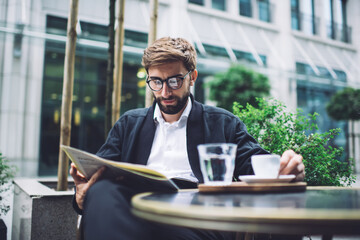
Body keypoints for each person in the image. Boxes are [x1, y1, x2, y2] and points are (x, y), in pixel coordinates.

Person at [70, 37, 305, 240]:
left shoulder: (222, 123)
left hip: (198, 217)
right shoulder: (129, 124)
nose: (165, 92)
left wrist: (285, 168)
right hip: (135, 212)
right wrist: (82, 195)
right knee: (103, 190)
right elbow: (96, 177)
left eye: (174, 81)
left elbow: (257, 164)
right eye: (156, 82)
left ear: (192, 77)